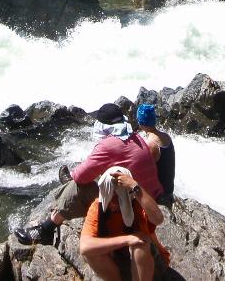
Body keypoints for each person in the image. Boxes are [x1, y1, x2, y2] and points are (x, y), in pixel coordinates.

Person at [16, 102, 162, 245]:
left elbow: (80, 177)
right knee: (97, 176)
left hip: (134, 207)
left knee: (78, 186)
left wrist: (76, 177)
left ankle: (46, 229)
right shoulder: (137, 137)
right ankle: (66, 188)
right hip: (150, 198)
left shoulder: (108, 144)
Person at [79, 167, 168, 281]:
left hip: (149, 263)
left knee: (140, 243)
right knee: (92, 253)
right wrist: (127, 239)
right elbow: (85, 247)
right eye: (110, 195)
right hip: (118, 259)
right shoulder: (98, 207)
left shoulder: (137, 203)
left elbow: (158, 219)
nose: (114, 202)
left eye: (119, 196)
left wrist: (135, 186)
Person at [135, 104, 175, 207]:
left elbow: (143, 173)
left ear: (140, 122)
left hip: (160, 196)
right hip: (169, 190)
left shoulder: (151, 144)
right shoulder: (166, 137)